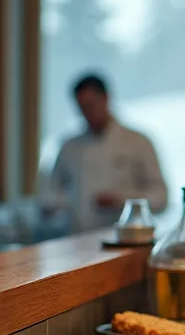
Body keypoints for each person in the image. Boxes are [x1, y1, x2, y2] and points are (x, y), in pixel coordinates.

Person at [39, 74, 168, 233]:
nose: (87, 113)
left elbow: (161, 198)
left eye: (91, 105)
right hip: (78, 240)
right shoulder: (69, 148)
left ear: (106, 99)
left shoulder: (138, 143)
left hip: (125, 239)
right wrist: (63, 203)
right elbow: (50, 194)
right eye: (82, 108)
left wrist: (122, 200)